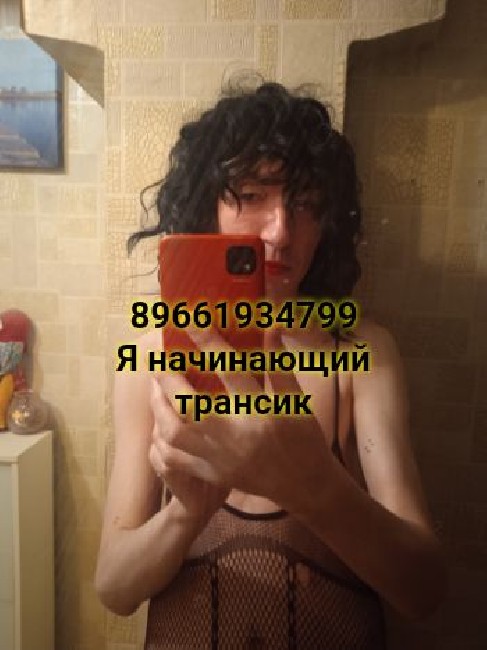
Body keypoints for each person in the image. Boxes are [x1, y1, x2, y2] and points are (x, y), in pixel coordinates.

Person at [95, 80, 447, 649]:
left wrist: (311, 484)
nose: (281, 231)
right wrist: (188, 514)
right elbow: (114, 587)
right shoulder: (150, 355)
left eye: (306, 204)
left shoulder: (360, 353)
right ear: (207, 205)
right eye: (251, 195)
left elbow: (425, 591)